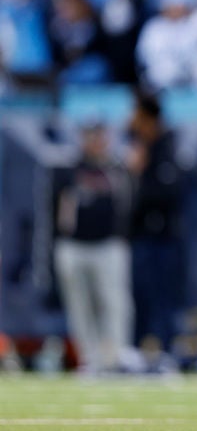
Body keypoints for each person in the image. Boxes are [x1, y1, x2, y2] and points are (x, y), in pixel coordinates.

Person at [53, 120, 133, 374]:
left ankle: (116, 357)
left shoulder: (117, 169)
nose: (97, 142)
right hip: (74, 245)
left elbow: (128, 204)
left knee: (114, 302)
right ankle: (89, 358)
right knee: (80, 306)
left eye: (100, 136)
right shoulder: (69, 169)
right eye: (91, 136)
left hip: (108, 245)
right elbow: (55, 209)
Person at [126, 91, 184, 367]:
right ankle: (135, 349)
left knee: (164, 296)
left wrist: (140, 175)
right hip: (139, 235)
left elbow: (170, 192)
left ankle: (166, 350)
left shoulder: (168, 145)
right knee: (137, 295)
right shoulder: (134, 144)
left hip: (165, 237)